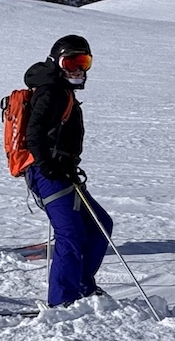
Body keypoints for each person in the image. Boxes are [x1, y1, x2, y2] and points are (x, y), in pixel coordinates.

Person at [23, 34, 111, 306]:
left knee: (100, 226)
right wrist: (47, 165)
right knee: (70, 234)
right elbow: (33, 134)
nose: (78, 69)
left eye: (84, 62)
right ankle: (62, 300)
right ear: (57, 63)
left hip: (64, 171)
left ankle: (82, 286)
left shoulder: (61, 91)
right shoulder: (50, 92)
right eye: (71, 61)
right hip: (48, 174)